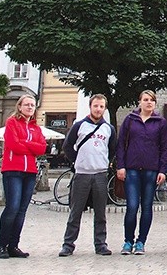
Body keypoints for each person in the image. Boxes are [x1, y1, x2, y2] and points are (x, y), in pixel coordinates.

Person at [59, 94, 117, 257]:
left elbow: (112, 149)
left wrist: (105, 162)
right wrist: (78, 160)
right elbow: (67, 146)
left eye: (101, 107)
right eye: (95, 106)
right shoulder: (79, 126)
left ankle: (100, 244)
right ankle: (68, 244)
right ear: (90, 107)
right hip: (82, 174)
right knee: (75, 211)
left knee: (100, 212)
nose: (98, 109)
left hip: (100, 174)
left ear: (104, 109)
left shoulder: (108, 129)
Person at [117, 90, 167, 255]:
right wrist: (120, 165)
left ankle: (141, 241)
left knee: (147, 207)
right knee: (132, 206)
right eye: (145, 100)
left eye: (152, 100)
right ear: (139, 102)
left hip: (151, 171)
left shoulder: (160, 122)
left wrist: (162, 169)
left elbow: (164, 148)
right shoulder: (130, 120)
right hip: (132, 170)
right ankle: (128, 241)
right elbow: (121, 144)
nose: (149, 103)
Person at [0, 94, 47, 259]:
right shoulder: (12, 122)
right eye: (27, 105)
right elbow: (13, 145)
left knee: (21, 211)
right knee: (12, 207)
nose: (30, 108)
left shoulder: (36, 128)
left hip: (30, 172)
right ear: (19, 106)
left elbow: (41, 149)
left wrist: (25, 144)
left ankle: (14, 245)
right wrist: (31, 146)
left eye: (32, 105)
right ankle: (2, 245)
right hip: (13, 170)